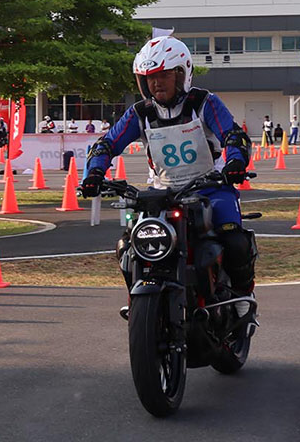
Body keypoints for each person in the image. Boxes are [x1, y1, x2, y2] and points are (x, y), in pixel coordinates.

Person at [80, 36, 256, 318]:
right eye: (149, 77)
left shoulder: (204, 102)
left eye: (163, 75)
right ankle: (137, 299)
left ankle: (243, 296)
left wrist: (235, 161)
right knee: (129, 245)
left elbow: (233, 134)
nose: (156, 83)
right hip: (160, 195)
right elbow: (106, 144)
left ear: (182, 74)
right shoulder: (140, 113)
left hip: (210, 188)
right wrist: (94, 174)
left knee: (234, 239)